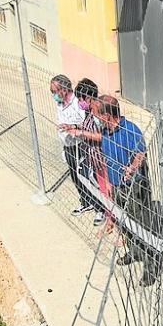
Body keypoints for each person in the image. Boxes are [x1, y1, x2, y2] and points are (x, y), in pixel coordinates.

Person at [97, 96, 160, 286]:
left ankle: (151, 266)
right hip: (117, 186)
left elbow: (141, 153)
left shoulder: (130, 129)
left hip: (134, 187)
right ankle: (133, 252)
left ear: (107, 115)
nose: (97, 118)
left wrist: (131, 168)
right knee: (125, 223)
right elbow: (106, 156)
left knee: (142, 226)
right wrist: (109, 181)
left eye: (98, 115)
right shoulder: (106, 131)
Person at [50, 74, 99, 219]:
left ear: (64, 89)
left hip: (80, 145)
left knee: (87, 176)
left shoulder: (78, 102)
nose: (53, 95)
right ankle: (85, 201)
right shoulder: (60, 103)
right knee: (75, 175)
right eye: (51, 92)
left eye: (54, 91)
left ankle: (98, 206)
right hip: (68, 145)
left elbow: (86, 122)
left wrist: (75, 129)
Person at [69, 78, 107, 226]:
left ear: (89, 98)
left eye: (80, 99)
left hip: (101, 158)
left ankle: (106, 214)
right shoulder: (89, 112)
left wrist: (81, 133)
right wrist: (75, 127)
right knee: (94, 184)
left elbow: (103, 136)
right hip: (92, 157)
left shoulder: (98, 114)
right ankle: (101, 210)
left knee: (105, 190)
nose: (79, 102)